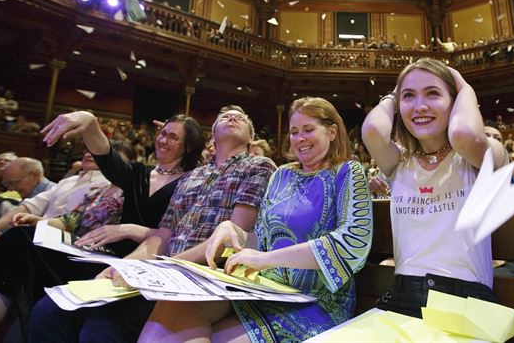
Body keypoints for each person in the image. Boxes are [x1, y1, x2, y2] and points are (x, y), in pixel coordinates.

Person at [29, 105, 275, 342]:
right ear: (212, 136)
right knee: (50, 310)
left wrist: (157, 268)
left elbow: (235, 235)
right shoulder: (191, 177)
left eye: (240, 118)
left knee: (102, 328)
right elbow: (162, 235)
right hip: (163, 270)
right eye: (225, 117)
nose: (232, 118)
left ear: (251, 138)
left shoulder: (257, 166)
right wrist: (127, 266)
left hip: (203, 273)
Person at [138, 97, 372, 342]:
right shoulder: (282, 175)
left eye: (308, 130)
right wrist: (234, 231)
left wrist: (264, 259)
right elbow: (260, 238)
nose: (299, 138)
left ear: (332, 131)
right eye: (294, 132)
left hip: (315, 301)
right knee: (173, 307)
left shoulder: (347, 172)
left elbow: (352, 244)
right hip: (262, 290)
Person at [362, 58, 506, 318]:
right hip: (404, 294)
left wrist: (465, 88)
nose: (420, 106)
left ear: (455, 102)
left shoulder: (481, 155)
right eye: (409, 96)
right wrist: (394, 95)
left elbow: (464, 134)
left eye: (433, 93)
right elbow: (373, 129)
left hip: (466, 302)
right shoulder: (399, 161)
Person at [0, 150, 125, 340]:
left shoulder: (131, 192)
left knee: (20, 239)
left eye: (113, 160)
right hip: (72, 243)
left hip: (96, 254)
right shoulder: (97, 190)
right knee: (18, 237)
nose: (108, 163)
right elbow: (68, 220)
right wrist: (37, 221)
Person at [41, 112, 205, 256]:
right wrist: (91, 125)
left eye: (173, 137)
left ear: (189, 147)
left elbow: (185, 236)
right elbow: (107, 158)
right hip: (110, 255)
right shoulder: (138, 172)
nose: (162, 140)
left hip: (152, 263)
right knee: (28, 239)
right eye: (162, 134)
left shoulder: (193, 183)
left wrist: (131, 230)